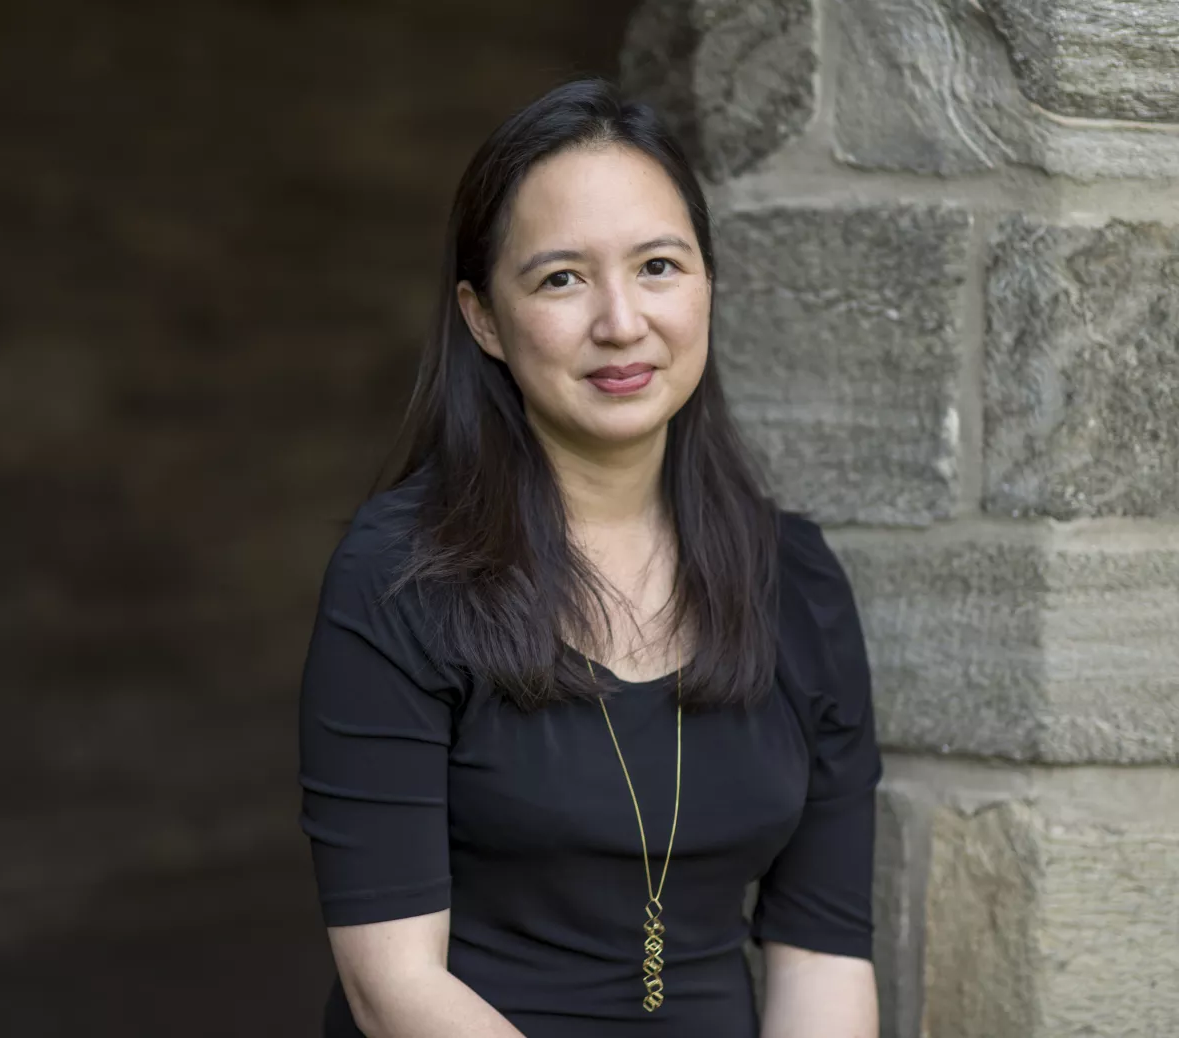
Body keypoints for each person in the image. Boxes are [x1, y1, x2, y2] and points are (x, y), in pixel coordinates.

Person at [296, 78, 881, 1037]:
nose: (621, 321)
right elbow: (392, 985)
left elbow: (822, 954)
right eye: (561, 278)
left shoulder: (798, 583)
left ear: (706, 286)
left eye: (658, 266)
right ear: (484, 318)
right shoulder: (400, 575)